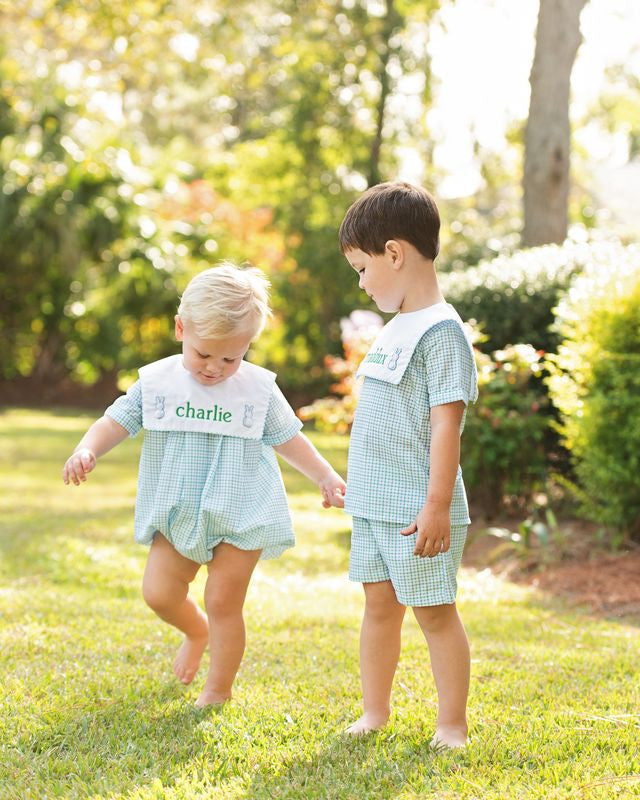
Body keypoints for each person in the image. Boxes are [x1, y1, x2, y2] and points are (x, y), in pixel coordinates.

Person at [62, 263, 346, 708]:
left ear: (248, 347)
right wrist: (88, 449)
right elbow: (116, 420)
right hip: (178, 511)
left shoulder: (256, 390)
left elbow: (290, 439)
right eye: (204, 354)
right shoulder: (158, 383)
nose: (215, 368)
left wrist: (326, 476)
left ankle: (218, 689)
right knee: (158, 594)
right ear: (180, 329)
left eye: (230, 358)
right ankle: (197, 632)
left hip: (242, 511)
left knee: (223, 602)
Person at [338, 182, 478, 747]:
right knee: (378, 606)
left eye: (361, 269)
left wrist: (437, 506)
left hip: (417, 511)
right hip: (376, 503)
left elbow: (446, 424)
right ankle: (375, 711)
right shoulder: (395, 329)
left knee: (434, 612)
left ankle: (452, 724)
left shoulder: (442, 333)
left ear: (394, 253)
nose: (362, 283)